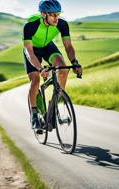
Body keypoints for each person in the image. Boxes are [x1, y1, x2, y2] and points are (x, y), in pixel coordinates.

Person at [23, 0, 82, 132]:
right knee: (35, 80)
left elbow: (68, 46)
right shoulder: (30, 26)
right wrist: (40, 68)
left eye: (58, 14)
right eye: (53, 15)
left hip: (48, 47)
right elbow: (29, 52)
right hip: (32, 51)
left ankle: (53, 105)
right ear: (43, 14)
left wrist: (75, 62)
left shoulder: (62, 24)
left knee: (63, 70)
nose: (57, 18)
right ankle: (34, 115)